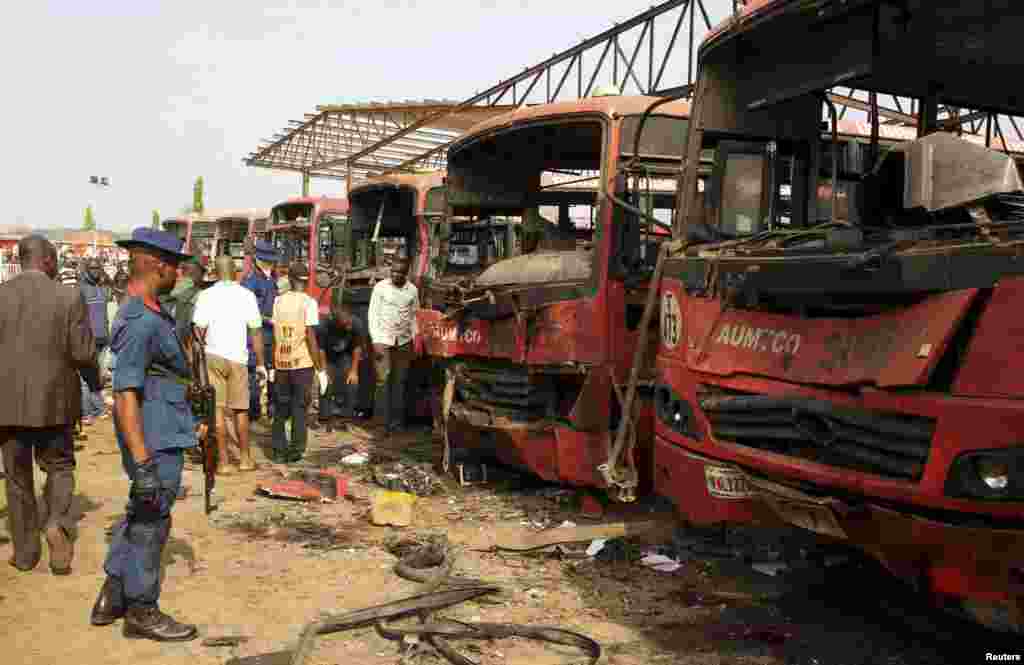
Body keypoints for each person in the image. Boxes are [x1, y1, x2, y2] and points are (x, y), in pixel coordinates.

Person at [90, 228, 197, 641]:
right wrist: (143, 461)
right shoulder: (140, 320)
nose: (179, 272)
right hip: (154, 438)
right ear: (159, 266)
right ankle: (142, 610)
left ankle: (113, 593)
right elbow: (125, 395)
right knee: (152, 522)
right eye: (175, 265)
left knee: (140, 513)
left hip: (161, 429)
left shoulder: (151, 312)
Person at [0, 234, 97, 576]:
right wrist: (96, 385)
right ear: (47, 261)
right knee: (59, 467)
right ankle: (56, 522)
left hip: (7, 406)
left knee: (16, 477)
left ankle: (25, 553)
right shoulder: (69, 297)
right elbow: (83, 353)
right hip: (56, 403)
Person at [191, 255, 266, 474]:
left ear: (214, 272)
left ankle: (224, 463)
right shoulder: (247, 295)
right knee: (240, 410)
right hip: (238, 359)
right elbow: (256, 331)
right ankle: (244, 459)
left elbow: (198, 332)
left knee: (218, 411)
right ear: (235, 272)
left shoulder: (205, 295)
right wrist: (261, 364)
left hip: (212, 356)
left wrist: (196, 364)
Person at [271, 262, 324, 462]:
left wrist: (274, 361)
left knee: (281, 406)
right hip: (302, 363)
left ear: (290, 280)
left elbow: (276, 335)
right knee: (299, 408)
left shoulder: (278, 301)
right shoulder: (309, 303)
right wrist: (319, 367)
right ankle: (295, 450)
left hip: (281, 362)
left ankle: (277, 451)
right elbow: (310, 336)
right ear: (306, 280)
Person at [367, 257, 420, 435]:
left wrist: (415, 337)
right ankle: (381, 425)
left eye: (399, 272)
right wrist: (375, 341)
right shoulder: (380, 288)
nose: (395, 275)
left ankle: (396, 424)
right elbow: (372, 314)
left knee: (400, 382)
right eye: (393, 272)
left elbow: (414, 316)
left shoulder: (412, 290)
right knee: (382, 381)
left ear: (406, 273)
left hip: (403, 341)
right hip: (383, 340)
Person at [317, 301, 371, 430]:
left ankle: (346, 417)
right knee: (325, 384)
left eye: (349, 323)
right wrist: (323, 370)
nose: (348, 326)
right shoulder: (324, 326)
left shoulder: (356, 324)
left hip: (345, 356)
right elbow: (321, 350)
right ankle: (325, 417)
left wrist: (354, 371)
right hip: (328, 357)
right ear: (336, 323)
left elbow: (357, 348)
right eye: (345, 325)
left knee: (352, 383)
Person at [240, 240, 278, 421]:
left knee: (272, 374)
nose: (270, 265)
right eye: (266, 261)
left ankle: (271, 409)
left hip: (271, 336)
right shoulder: (250, 282)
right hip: (254, 336)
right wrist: (269, 319)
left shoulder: (272, 280)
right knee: (255, 375)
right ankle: (253, 414)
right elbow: (249, 313)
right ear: (257, 260)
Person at [79, 257, 111, 411]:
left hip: (104, 339)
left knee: (99, 375)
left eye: (98, 268)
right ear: (86, 270)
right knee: (86, 376)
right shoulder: (81, 289)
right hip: (89, 339)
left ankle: (98, 408)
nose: (96, 271)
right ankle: (86, 411)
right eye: (92, 268)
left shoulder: (103, 288)